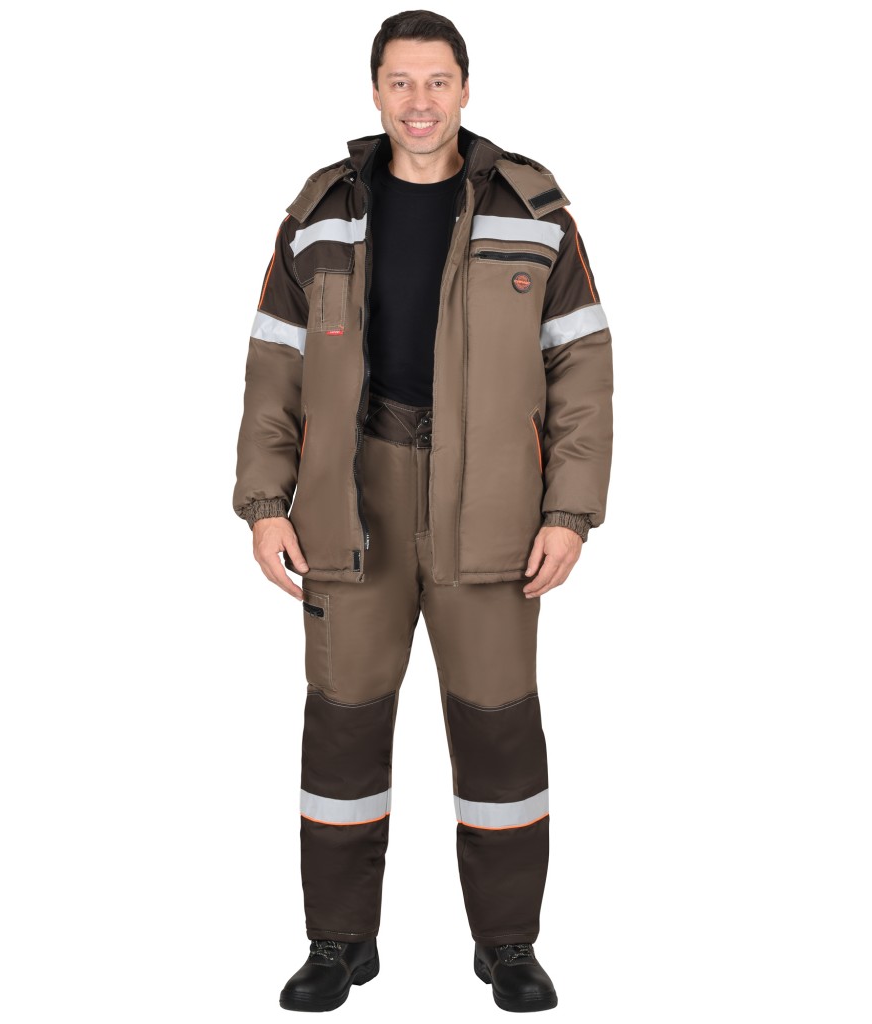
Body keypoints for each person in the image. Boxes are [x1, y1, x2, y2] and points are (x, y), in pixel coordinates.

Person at [232, 9, 613, 1013]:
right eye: (399, 82)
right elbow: (273, 367)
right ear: (374, 91)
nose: (419, 101)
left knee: (499, 732)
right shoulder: (322, 211)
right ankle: (337, 942)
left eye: (437, 81)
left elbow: (581, 367)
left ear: (466, 88)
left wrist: (569, 511)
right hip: (348, 504)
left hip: (492, 509)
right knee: (342, 729)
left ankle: (508, 946)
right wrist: (266, 503)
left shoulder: (533, 208)